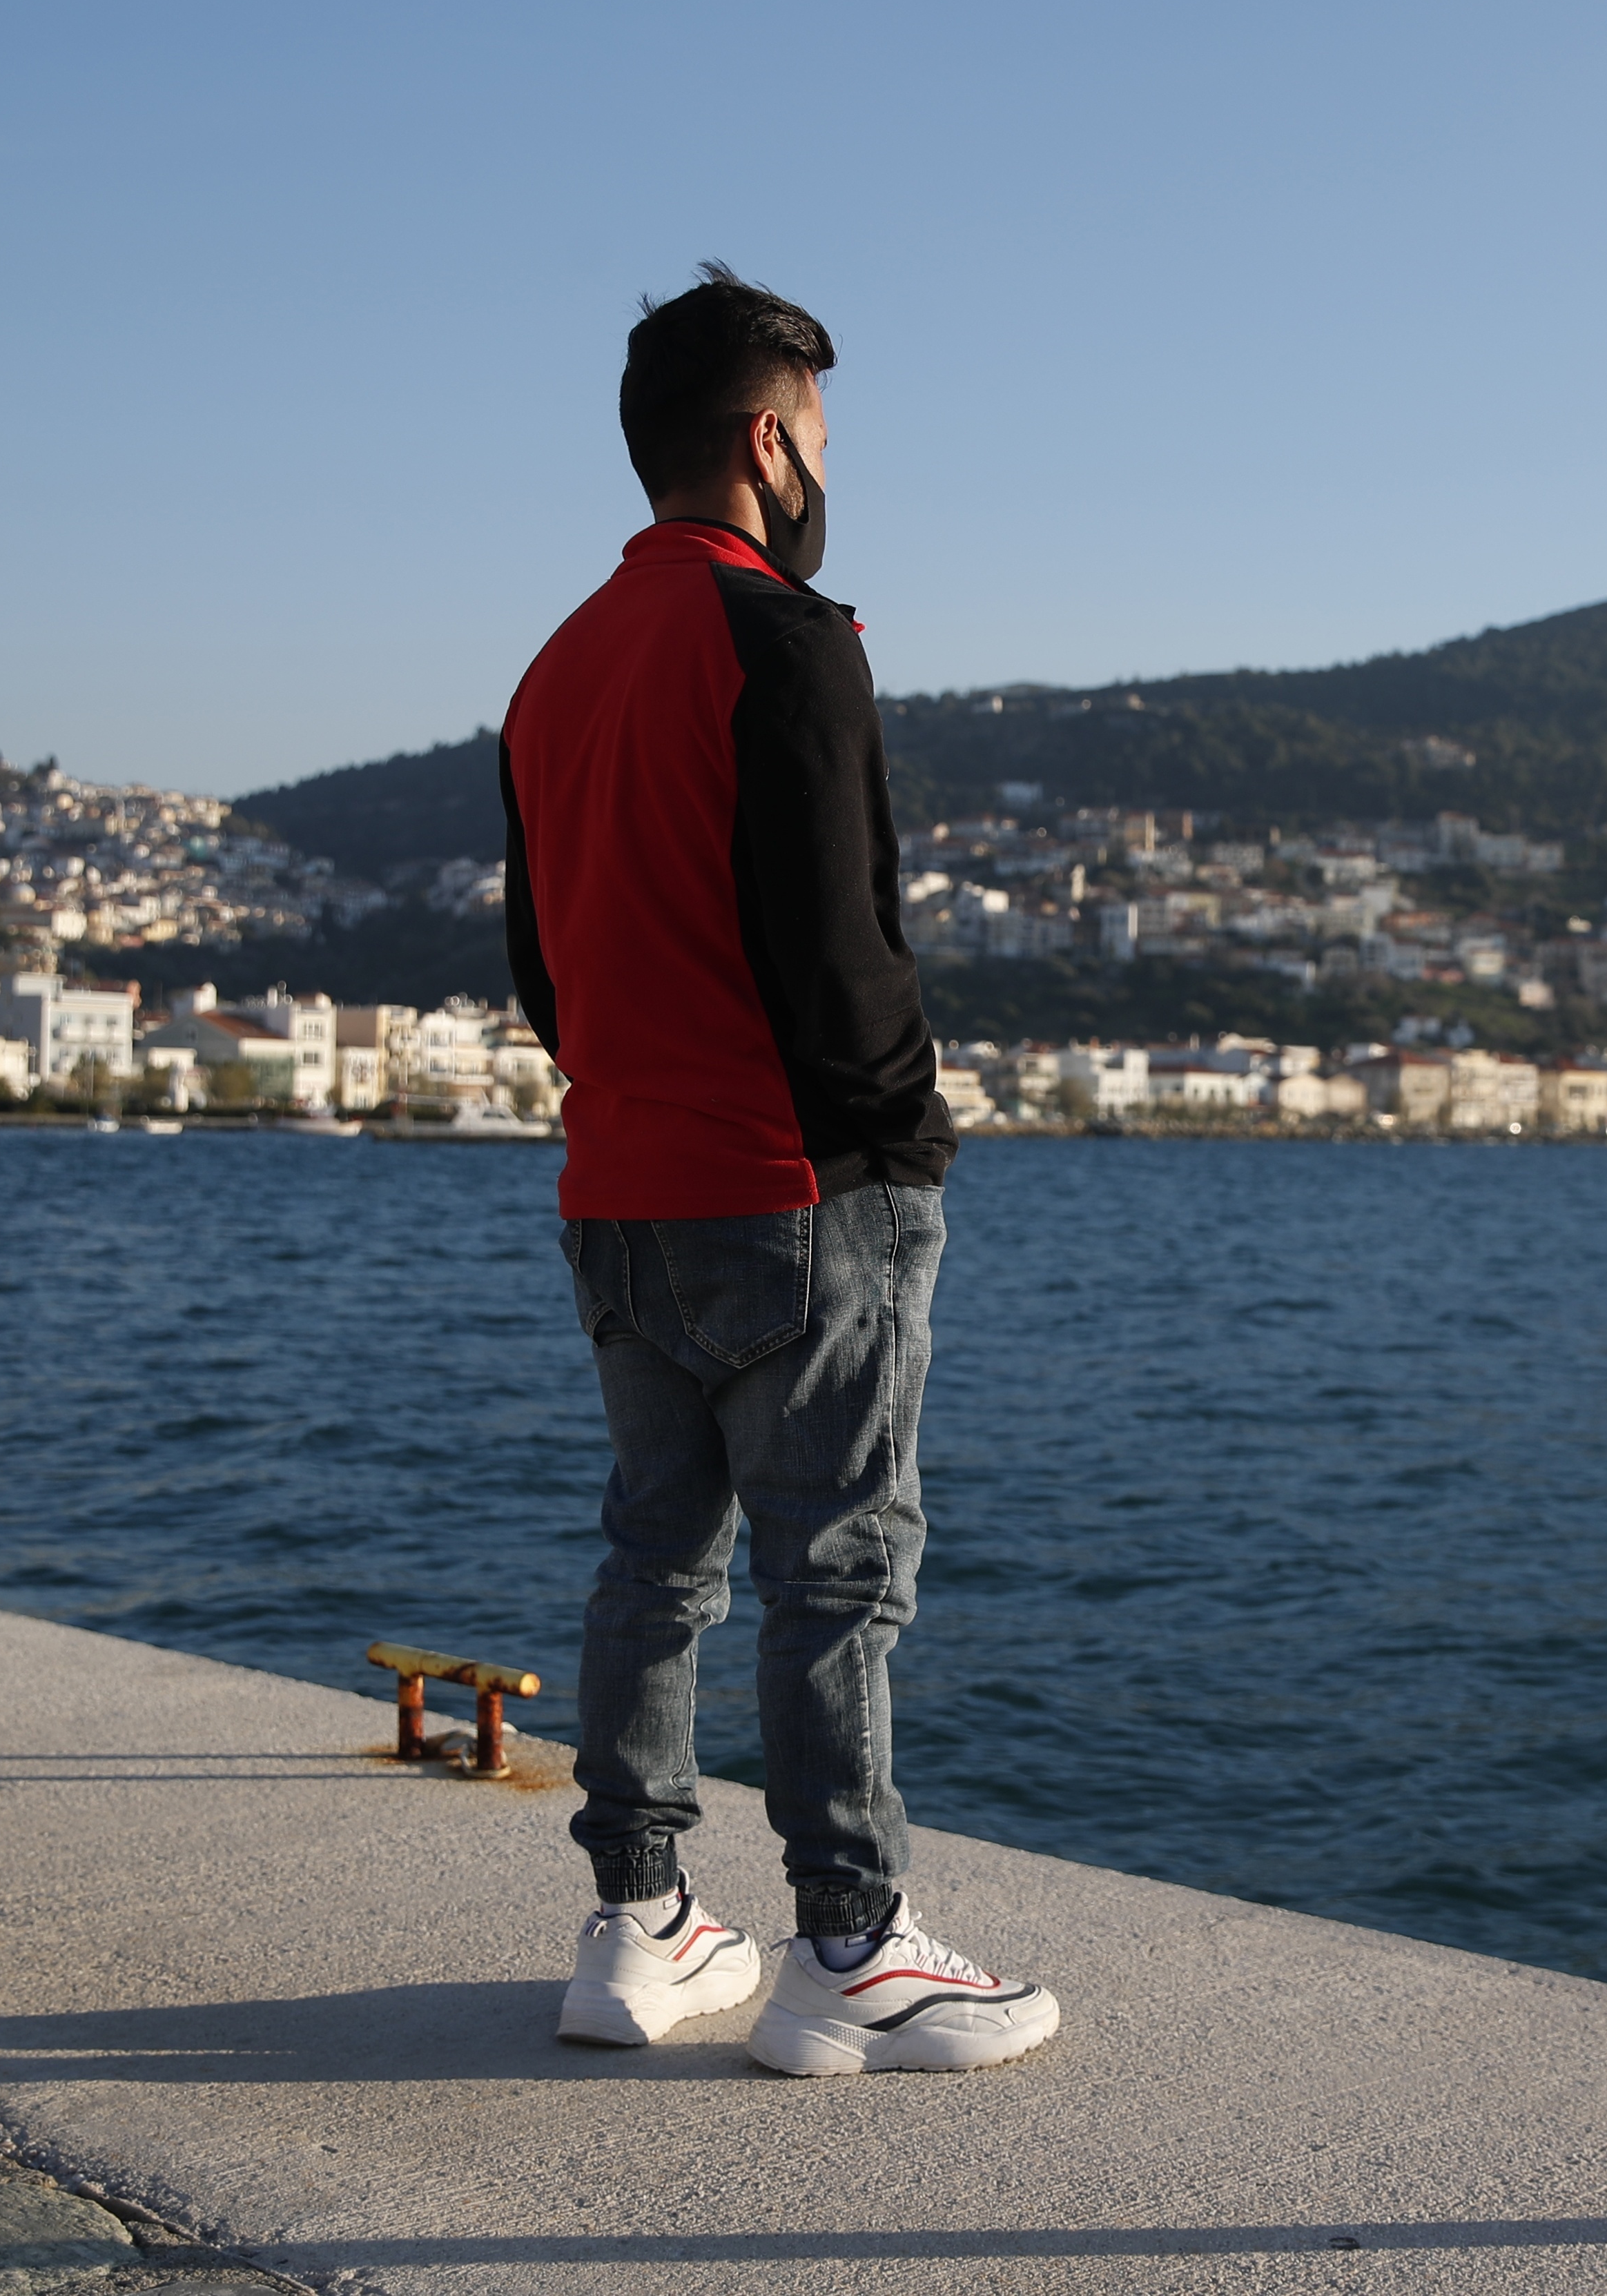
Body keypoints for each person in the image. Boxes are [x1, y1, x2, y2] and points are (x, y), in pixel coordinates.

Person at [497, 264, 1057, 2076]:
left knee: (653, 1558)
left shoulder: (554, 668)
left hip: (616, 1186)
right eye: (817, 440)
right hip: (795, 1184)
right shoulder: (786, 640)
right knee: (837, 1575)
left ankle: (641, 1922)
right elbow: (845, 947)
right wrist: (905, 1139)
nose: (824, 474)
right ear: (765, 441)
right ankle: (848, 1944)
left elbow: (536, 963)